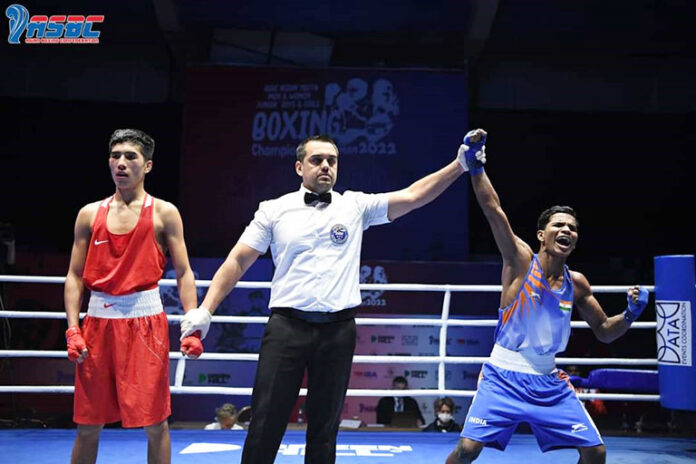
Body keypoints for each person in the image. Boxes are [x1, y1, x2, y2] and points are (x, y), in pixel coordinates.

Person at [179, 133, 473, 464]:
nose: (325, 167)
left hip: (338, 331)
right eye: (317, 160)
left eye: (332, 161)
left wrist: (459, 165)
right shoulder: (274, 210)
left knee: (324, 428)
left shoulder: (355, 206)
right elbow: (237, 261)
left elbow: (413, 196)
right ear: (299, 166)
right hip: (287, 328)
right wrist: (205, 310)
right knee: (265, 422)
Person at [445, 130, 649, 464]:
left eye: (573, 227)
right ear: (542, 234)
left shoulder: (577, 283)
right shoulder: (521, 261)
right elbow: (493, 210)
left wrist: (629, 314)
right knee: (467, 450)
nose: (567, 230)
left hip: (548, 382)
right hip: (502, 376)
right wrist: (476, 165)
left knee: (595, 452)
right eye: (559, 225)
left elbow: (604, 330)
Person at [64, 128, 198, 464]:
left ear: (148, 165)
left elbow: (183, 272)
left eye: (130, 157)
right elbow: (75, 276)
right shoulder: (89, 214)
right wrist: (72, 327)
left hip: (145, 326)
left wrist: (193, 322)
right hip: (96, 325)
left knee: (155, 423)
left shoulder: (165, 213)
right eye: (115, 156)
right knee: (88, 423)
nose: (121, 163)